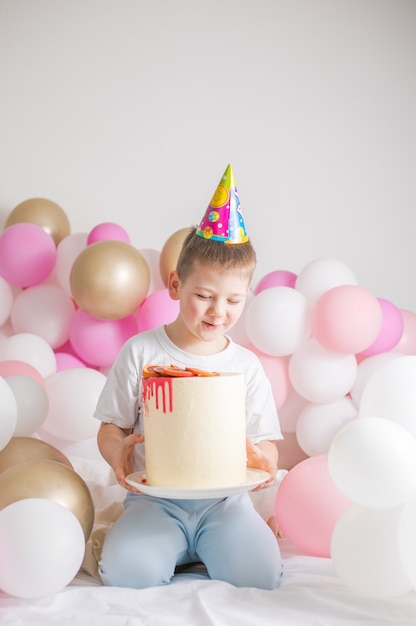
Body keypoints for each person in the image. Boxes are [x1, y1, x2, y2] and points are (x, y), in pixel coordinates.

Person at [94, 165, 283, 590]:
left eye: (234, 299)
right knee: (128, 575)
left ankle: (246, 538)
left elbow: (266, 444)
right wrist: (116, 452)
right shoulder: (141, 352)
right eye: (204, 296)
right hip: (155, 502)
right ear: (176, 285)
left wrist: (263, 460)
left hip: (225, 504)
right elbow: (111, 429)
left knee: (261, 578)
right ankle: (130, 543)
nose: (219, 311)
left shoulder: (246, 366)